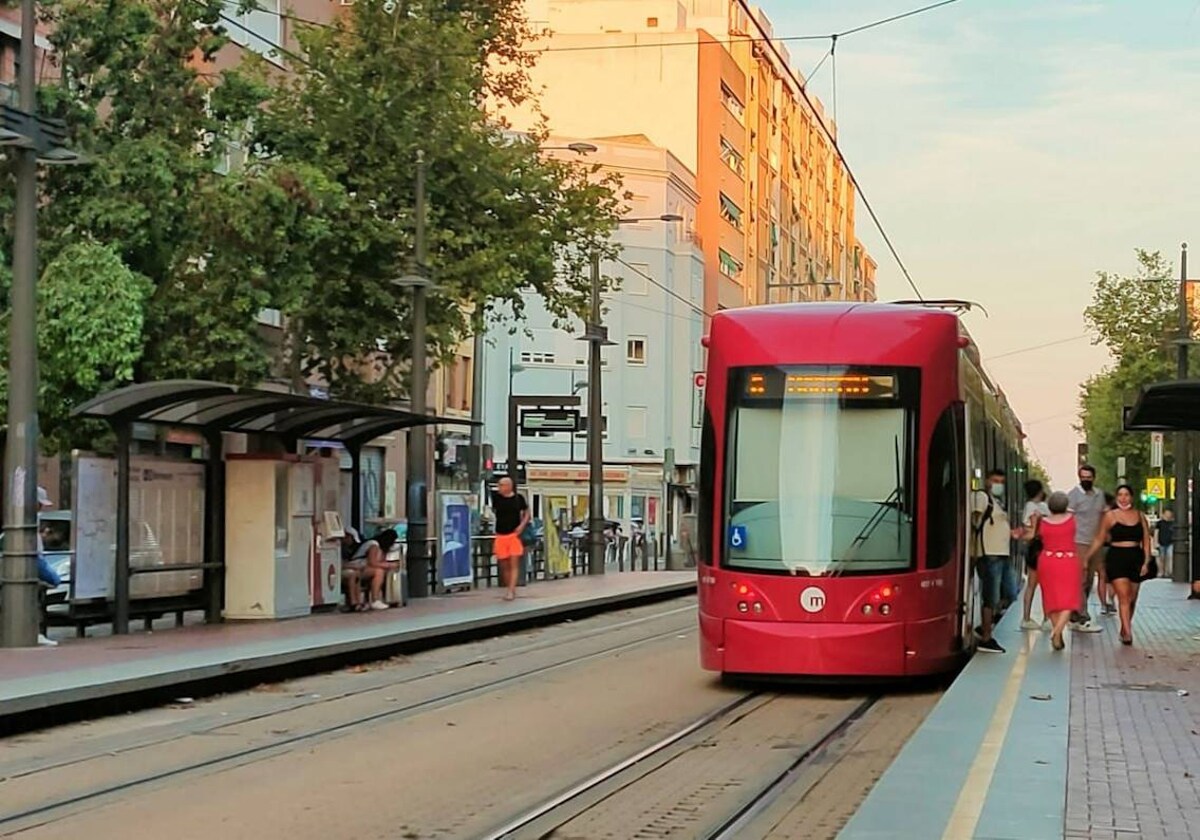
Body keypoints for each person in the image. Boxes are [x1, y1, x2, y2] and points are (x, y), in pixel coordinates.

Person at [1087, 485, 1153, 645]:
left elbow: (1146, 539)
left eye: (1127, 494)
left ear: (1132, 497)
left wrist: (1146, 560)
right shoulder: (1110, 516)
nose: (1123, 498)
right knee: (1123, 596)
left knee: (1132, 598)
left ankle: (1125, 626)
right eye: (1120, 495)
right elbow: (1099, 538)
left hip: (1135, 558)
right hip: (1116, 557)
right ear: (1117, 497)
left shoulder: (1139, 516)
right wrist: (1087, 557)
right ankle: (1128, 632)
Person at [972, 469, 1022, 653]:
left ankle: (985, 626)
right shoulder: (981, 498)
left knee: (1010, 592)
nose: (998, 484)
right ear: (987, 481)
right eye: (995, 480)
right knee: (990, 596)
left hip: (1003, 553)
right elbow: (973, 521)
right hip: (989, 554)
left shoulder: (998, 502)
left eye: (1001, 481)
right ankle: (986, 637)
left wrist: (1013, 533)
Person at [1036, 491, 1083, 651]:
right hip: (1068, 560)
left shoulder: (1043, 522)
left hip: (1047, 560)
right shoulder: (1072, 520)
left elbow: (1036, 536)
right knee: (1070, 598)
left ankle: (1058, 633)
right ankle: (1057, 631)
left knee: (1052, 598)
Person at [1066, 465, 1106, 632]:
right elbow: (1068, 519)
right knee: (1080, 579)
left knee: (1089, 580)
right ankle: (1083, 617)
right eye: (1083, 477)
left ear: (1093, 478)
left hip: (1095, 543)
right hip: (1078, 542)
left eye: (1089, 477)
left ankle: (1074, 615)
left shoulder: (1099, 495)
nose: (1086, 480)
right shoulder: (1073, 496)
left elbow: (1103, 516)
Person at [491, 477, 530, 601]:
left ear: (509, 486)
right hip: (500, 535)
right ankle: (510, 587)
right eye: (499, 485)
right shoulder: (496, 498)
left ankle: (511, 591)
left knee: (514, 563)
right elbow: (494, 510)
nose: (500, 488)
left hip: (514, 535)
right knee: (504, 564)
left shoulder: (518, 499)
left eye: (502, 485)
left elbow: (527, 512)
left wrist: (522, 525)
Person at [342, 528, 400, 611]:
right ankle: (375, 599)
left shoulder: (380, 548)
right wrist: (389, 565)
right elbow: (372, 562)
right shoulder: (373, 545)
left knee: (380, 571)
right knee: (379, 571)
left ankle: (377, 599)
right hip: (358, 566)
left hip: (362, 568)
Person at [1020, 479, 1050, 631]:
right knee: (1043, 584)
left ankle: (1027, 617)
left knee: (1032, 584)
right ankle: (1045, 618)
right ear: (1040, 491)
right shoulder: (1034, 507)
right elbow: (1032, 532)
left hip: (1035, 547)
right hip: (1040, 547)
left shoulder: (1032, 506)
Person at [1155, 509, 1175, 578]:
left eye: (1169, 513)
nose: (1168, 515)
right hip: (1161, 543)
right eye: (1167, 513)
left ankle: (1168, 572)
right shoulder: (1159, 523)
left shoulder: (1173, 523)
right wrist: (1156, 543)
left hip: (1170, 543)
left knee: (1170, 557)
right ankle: (1161, 572)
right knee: (1162, 558)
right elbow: (1156, 533)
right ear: (1164, 514)